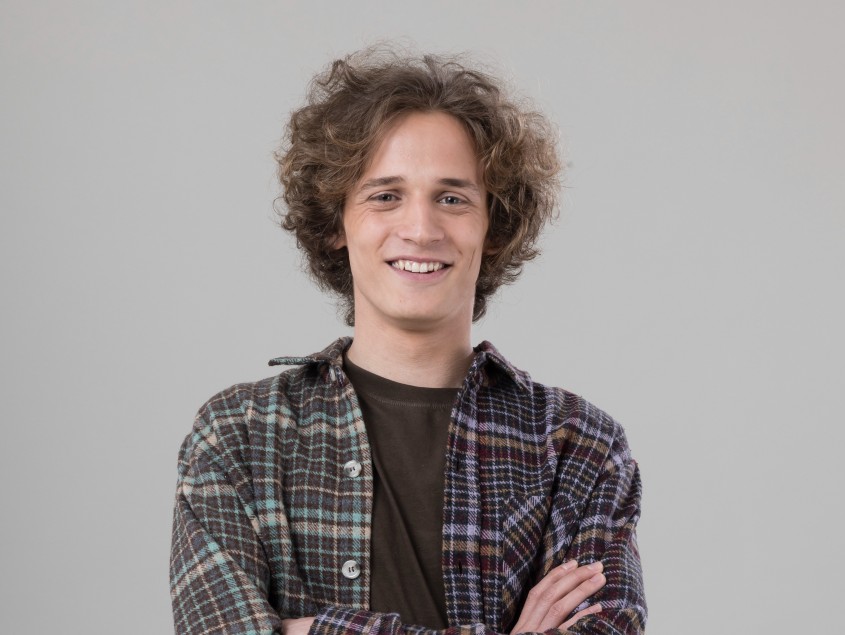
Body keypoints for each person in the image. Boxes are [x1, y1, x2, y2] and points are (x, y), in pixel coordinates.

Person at [170, 48, 646, 635]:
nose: (420, 229)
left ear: (493, 227)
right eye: (385, 195)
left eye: (452, 198)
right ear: (335, 222)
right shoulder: (239, 435)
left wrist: (311, 629)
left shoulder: (578, 446)